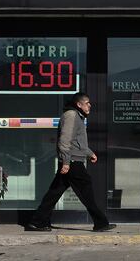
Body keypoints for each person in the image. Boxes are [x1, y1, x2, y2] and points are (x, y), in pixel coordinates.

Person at [26, 92, 115, 232]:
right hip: (72, 161)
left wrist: (90, 153)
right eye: (87, 103)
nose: (90, 105)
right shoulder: (71, 116)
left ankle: (37, 222)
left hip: (73, 160)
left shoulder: (77, 117)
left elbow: (77, 142)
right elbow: (64, 141)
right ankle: (101, 223)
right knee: (86, 191)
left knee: (54, 192)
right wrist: (66, 162)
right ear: (79, 104)